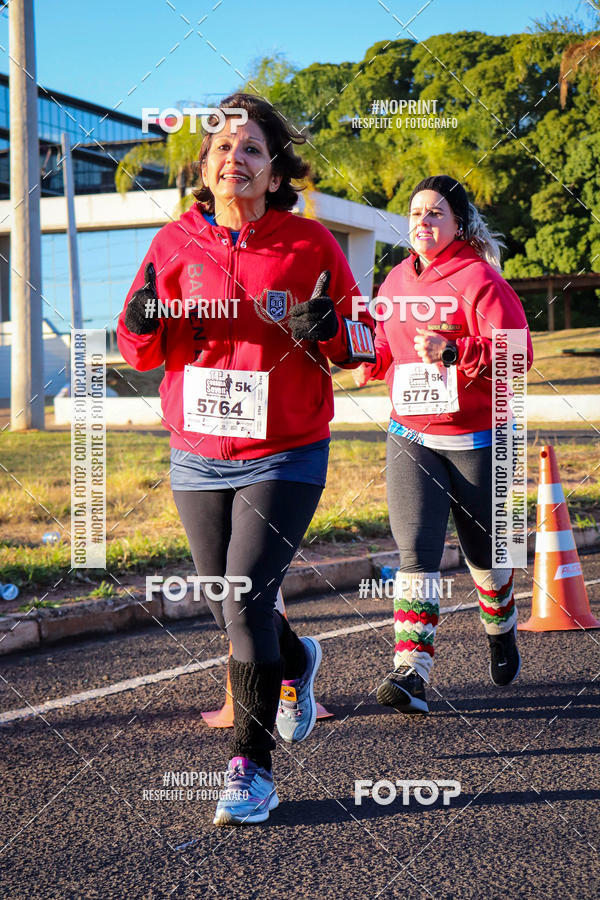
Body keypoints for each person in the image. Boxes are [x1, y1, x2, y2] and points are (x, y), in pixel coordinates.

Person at [117, 93, 373, 825]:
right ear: (206, 164)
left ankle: (251, 770)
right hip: (197, 451)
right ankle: (296, 664)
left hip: (285, 449)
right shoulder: (174, 245)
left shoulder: (308, 244)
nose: (237, 159)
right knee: (226, 599)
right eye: (224, 148)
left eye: (253, 150)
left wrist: (328, 330)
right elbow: (140, 344)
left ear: (274, 170)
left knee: (244, 598)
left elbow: (363, 346)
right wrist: (136, 327)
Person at [354, 174, 533, 715]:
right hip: (412, 435)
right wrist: (351, 348)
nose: (423, 222)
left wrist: (455, 352)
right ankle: (412, 672)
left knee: (484, 555)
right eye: (414, 214)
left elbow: (517, 358)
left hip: (479, 438)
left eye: (435, 213)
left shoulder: (480, 279)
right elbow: (379, 351)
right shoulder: (393, 285)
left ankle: (500, 628)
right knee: (415, 554)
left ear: (459, 224)